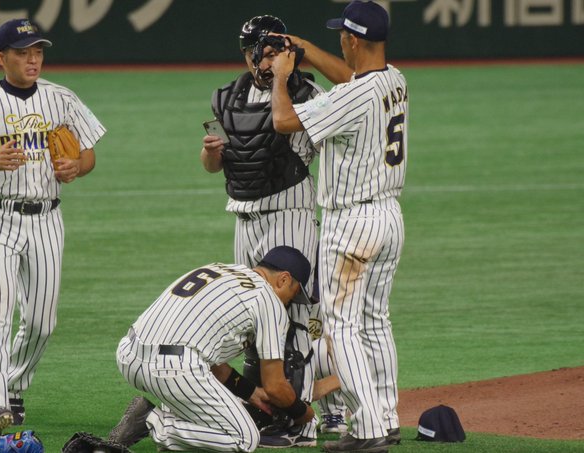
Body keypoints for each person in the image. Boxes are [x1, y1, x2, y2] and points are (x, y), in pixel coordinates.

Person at [0, 19, 106, 436]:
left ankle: (13, 384)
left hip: (47, 218)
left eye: (37, 52)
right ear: (2, 58)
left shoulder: (61, 98)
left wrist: (76, 167)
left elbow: (88, 154)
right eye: (22, 53)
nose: (33, 60)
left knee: (41, 321)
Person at [269, 1, 408, 452]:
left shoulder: (351, 97)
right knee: (375, 321)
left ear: (352, 40)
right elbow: (351, 76)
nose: (340, 44)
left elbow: (284, 121)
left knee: (341, 326)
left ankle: (366, 428)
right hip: (388, 217)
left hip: (351, 225)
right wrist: (306, 49)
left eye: (341, 37)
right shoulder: (394, 79)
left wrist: (280, 76)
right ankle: (386, 417)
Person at [200, 15, 324, 447]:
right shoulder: (227, 97)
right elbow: (217, 166)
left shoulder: (306, 93)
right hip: (244, 218)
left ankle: (304, 420)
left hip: (289, 214)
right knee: (253, 323)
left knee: (297, 322)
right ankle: (264, 413)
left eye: (276, 53)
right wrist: (210, 154)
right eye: (261, 53)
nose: (268, 62)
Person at [110, 246, 316, 452]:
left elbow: (207, 356)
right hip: (172, 370)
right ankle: (152, 421)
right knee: (245, 438)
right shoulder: (269, 301)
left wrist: (250, 392)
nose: (288, 303)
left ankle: (164, 422)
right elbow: (275, 386)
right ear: (284, 279)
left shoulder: (219, 270)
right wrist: (304, 413)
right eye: (293, 294)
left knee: (203, 412)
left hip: (129, 354)